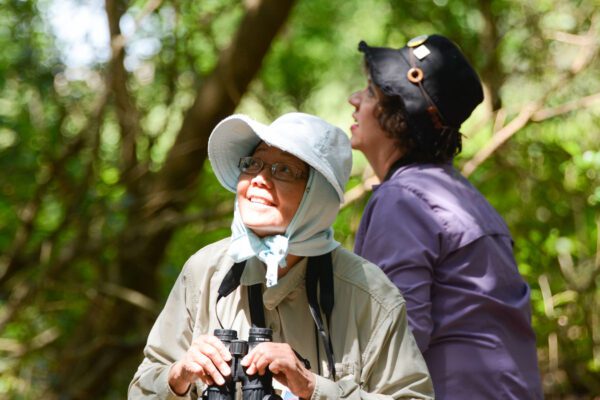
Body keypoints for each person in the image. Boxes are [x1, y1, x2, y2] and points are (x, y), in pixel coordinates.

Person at [128, 112, 433, 399]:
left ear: (319, 195)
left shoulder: (367, 294)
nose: (259, 179)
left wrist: (314, 388)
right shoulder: (205, 271)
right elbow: (140, 388)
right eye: (253, 164)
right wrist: (178, 377)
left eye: (284, 169)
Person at [348, 34, 543, 399]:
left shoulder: (402, 200)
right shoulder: (461, 194)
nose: (354, 99)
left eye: (371, 93)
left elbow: (397, 342)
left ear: (399, 118)